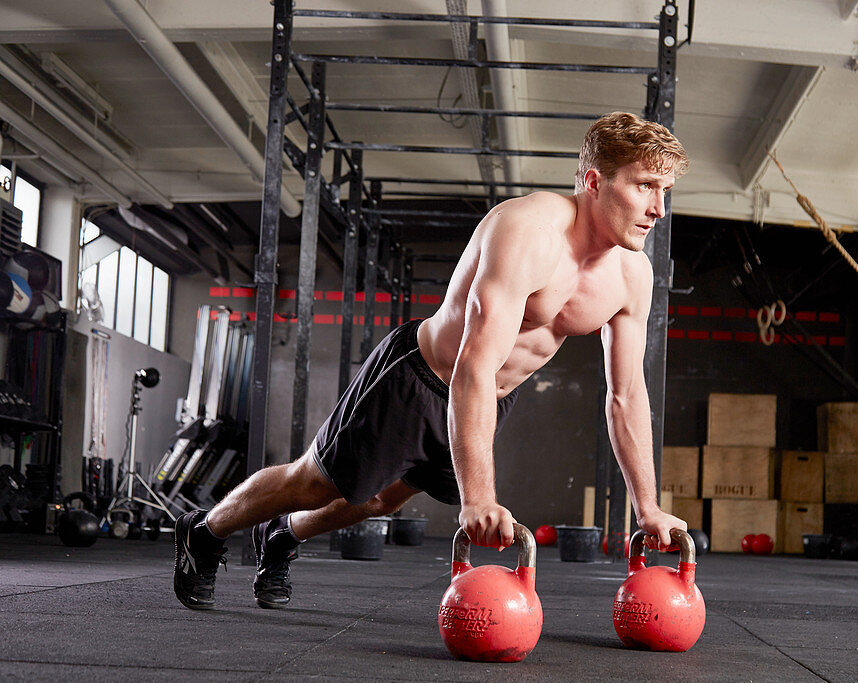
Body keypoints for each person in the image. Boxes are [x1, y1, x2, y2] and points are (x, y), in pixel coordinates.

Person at [173, 110, 691, 611]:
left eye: (665, 192)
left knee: (380, 502)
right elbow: (474, 366)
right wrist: (480, 498)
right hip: (422, 378)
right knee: (315, 481)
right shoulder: (528, 231)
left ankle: (282, 535)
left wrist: (646, 506)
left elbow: (626, 396)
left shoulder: (632, 276)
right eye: (645, 185)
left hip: (490, 399)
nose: (658, 209)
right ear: (595, 182)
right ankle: (206, 529)